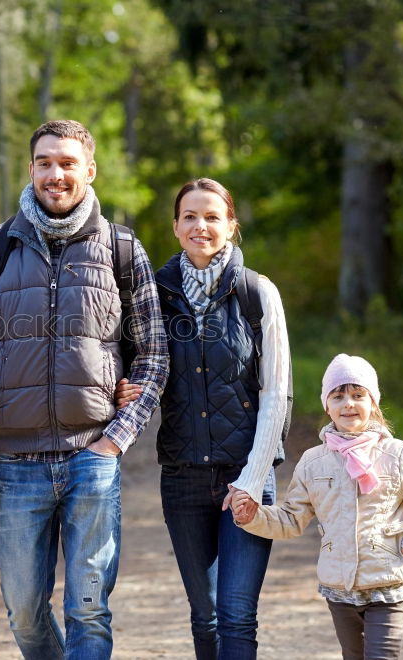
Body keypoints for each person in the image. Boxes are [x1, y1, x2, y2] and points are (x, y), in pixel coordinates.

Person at [0, 119, 169, 659]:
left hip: (93, 455)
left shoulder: (122, 248)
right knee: (23, 609)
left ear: (89, 170)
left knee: (88, 607)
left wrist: (117, 437)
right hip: (18, 462)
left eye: (67, 163)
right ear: (31, 170)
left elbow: (156, 352)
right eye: (45, 162)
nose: (56, 174)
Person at [117, 177, 290, 659]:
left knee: (236, 612)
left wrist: (252, 480)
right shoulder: (153, 295)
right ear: (175, 227)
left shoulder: (258, 293)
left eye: (213, 216)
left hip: (246, 477)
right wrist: (123, 388)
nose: (201, 226)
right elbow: (137, 368)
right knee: (206, 614)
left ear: (231, 226)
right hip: (183, 478)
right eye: (190, 216)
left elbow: (277, 394)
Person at [232, 354, 403, 660]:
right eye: (338, 396)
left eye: (358, 395)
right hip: (338, 587)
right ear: (327, 406)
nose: (348, 404)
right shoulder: (313, 462)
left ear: (373, 403)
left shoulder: (395, 454)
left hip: (389, 580)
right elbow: (291, 519)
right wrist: (253, 516)